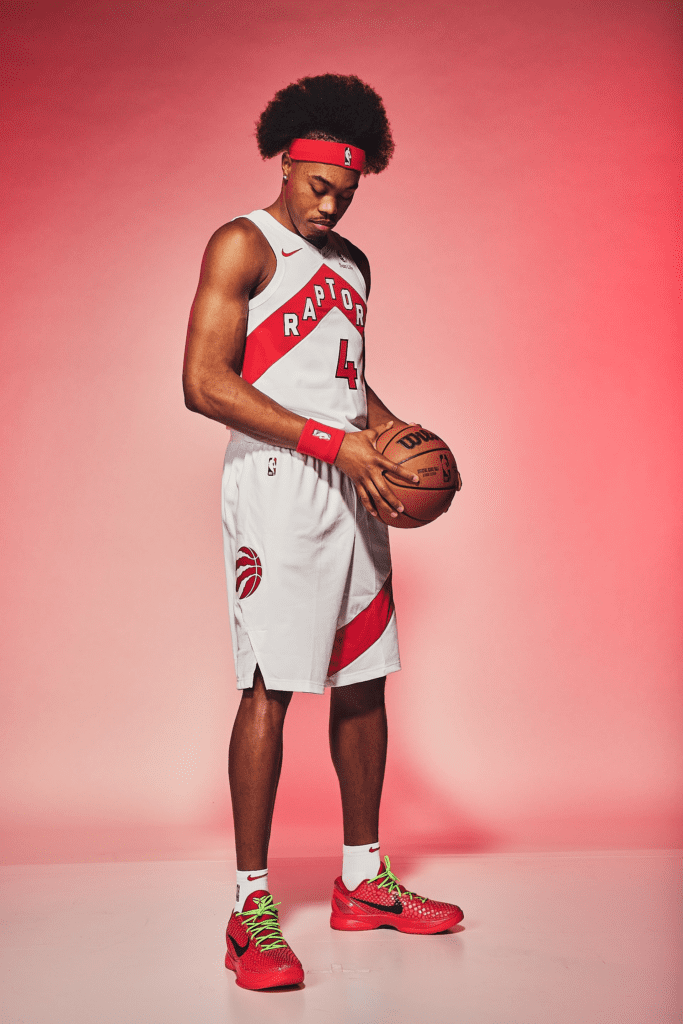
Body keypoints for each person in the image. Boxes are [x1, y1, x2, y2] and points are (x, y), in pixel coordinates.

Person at [183, 73, 463, 991]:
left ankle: (361, 882)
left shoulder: (353, 263)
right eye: (316, 185)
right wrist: (335, 444)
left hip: (348, 475)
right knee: (270, 686)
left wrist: (385, 434)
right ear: (286, 162)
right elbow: (205, 383)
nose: (330, 202)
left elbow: (341, 377)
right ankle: (250, 906)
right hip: (276, 481)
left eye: (345, 190)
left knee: (364, 677)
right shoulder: (243, 244)